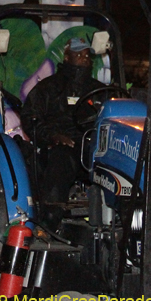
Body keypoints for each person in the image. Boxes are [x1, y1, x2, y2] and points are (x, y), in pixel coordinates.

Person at [21, 37, 105, 228]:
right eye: (79, 54)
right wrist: (52, 136)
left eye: (86, 55)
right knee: (62, 158)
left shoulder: (99, 90)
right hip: (60, 146)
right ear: (67, 57)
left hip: (91, 145)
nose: (84, 59)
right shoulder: (48, 87)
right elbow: (31, 118)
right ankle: (50, 217)